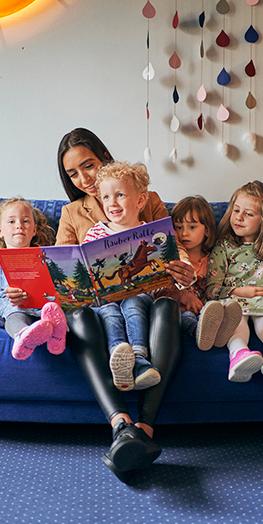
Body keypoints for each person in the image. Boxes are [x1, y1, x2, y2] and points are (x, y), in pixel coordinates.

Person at [56, 128, 195, 482]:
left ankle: (141, 428)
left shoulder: (146, 199)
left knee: (166, 308)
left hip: (148, 297)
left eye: (88, 165)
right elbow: (61, 268)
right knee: (82, 318)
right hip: (97, 306)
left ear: (104, 157)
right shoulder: (72, 213)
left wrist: (181, 272)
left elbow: (170, 249)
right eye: (73, 173)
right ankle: (122, 423)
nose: (84, 178)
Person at [81, 161, 163, 393]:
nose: (112, 203)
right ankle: (120, 356)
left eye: (119, 195)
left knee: (134, 303)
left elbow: (157, 280)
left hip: (138, 295)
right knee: (108, 311)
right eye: (105, 197)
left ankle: (139, 358)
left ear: (140, 201)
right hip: (106, 298)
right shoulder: (95, 232)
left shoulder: (149, 233)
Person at [206, 181, 263, 384]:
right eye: (236, 210)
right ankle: (239, 356)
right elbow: (211, 290)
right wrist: (239, 292)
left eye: (248, 214)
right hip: (232, 304)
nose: (238, 217)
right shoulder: (223, 246)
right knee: (235, 324)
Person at [0, 197, 68, 360]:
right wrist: (4, 295)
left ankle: (56, 337)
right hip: (14, 306)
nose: (19, 225)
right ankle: (24, 335)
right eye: (11, 221)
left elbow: (59, 280)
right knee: (14, 316)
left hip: (45, 306)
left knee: (54, 309)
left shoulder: (44, 256)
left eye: (25, 221)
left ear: (34, 230)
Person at [159, 195, 241, 350]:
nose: (184, 233)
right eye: (178, 227)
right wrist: (183, 295)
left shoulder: (214, 260)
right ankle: (199, 331)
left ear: (207, 231)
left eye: (192, 227)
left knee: (221, 308)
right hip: (178, 314)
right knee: (187, 317)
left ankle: (219, 330)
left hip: (208, 312)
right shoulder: (172, 262)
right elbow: (159, 295)